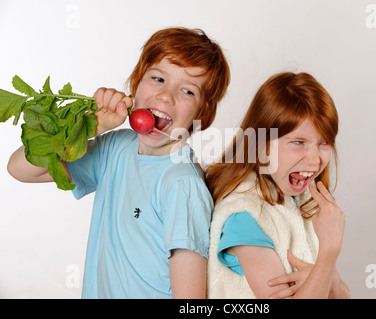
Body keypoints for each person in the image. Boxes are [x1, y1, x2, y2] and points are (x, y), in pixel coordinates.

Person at [7, 27, 230, 298]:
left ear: (202, 114)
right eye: (158, 78)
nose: (166, 95)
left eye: (187, 91)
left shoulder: (182, 184)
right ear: (135, 84)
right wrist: (90, 127)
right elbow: (20, 168)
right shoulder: (115, 148)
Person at [206, 72, 350, 299]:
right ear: (261, 145)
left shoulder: (302, 203)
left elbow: (341, 295)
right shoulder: (243, 216)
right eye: (298, 142)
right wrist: (328, 257)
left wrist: (330, 280)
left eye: (324, 143)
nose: (314, 159)